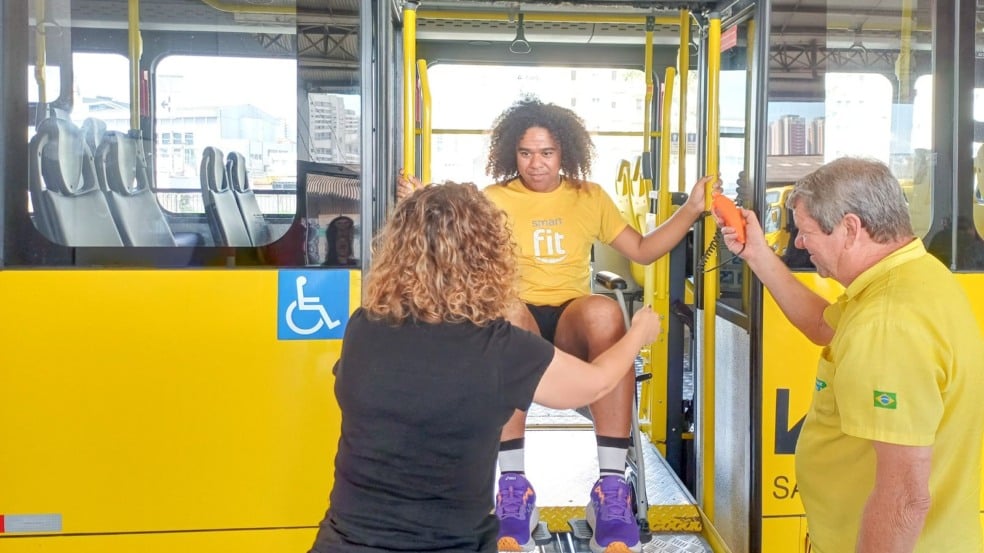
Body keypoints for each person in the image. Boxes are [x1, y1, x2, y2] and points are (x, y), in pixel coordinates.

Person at [399, 97, 718, 553]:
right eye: (526, 153)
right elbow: (448, 240)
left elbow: (644, 250)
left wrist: (689, 210)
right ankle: (514, 490)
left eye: (547, 153)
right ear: (512, 153)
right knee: (504, 311)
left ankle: (610, 490)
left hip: (569, 320)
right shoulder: (493, 200)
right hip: (517, 314)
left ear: (564, 152)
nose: (537, 163)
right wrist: (419, 204)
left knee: (606, 311)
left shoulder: (589, 197)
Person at [308, 182, 661, 553]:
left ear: (397, 251)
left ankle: (514, 486)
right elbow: (596, 384)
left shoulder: (363, 327)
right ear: (487, 255)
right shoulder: (497, 347)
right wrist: (637, 333)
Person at [715, 157, 984, 553]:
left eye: (806, 232)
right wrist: (757, 254)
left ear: (851, 228)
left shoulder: (887, 324)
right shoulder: (913, 277)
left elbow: (906, 498)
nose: (801, 244)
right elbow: (822, 325)